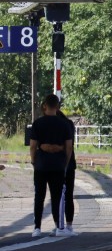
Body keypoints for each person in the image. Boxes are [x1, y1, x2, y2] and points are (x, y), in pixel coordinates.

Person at [28, 93, 72, 238]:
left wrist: (34, 161)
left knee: (39, 196)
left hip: (41, 164)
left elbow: (33, 146)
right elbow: (69, 147)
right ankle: (58, 227)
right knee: (57, 197)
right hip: (58, 165)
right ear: (58, 107)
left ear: (45, 105)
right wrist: (64, 163)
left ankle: (37, 228)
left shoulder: (38, 123)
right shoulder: (64, 124)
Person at [55, 100, 77, 236]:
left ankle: (59, 225)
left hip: (55, 164)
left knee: (56, 195)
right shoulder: (69, 124)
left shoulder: (52, 125)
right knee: (69, 195)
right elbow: (70, 145)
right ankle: (68, 225)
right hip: (69, 164)